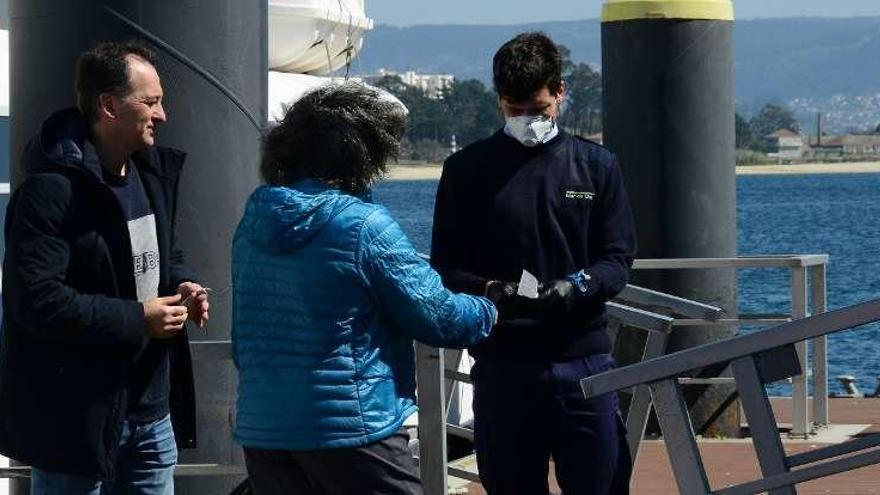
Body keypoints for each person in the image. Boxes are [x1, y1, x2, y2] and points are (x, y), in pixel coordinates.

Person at [231, 82, 497, 495]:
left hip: (265, 427)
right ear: (360, 153)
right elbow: (438, 316)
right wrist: (490, 306)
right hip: (351, 429)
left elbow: (243, 334)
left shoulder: (253, 223)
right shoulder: (364, 226)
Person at [430, 32, 637, 494]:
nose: (527, 120)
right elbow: (444, 265)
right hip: (504, 365)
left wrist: (575, 285)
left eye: (538, 110)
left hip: (583, 362)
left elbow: (617, 260)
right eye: (514, 109)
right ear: (499, 101)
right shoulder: (466, 171)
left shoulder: (596, 166)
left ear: (560, 93)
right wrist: (488, 289)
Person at [0, 41, 209, 494]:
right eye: (151, 102)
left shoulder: (152, 176)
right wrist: (140, 319)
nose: (163, 115)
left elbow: (159, 256)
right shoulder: (49, 191)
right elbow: (35, 302)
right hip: (76, 425)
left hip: (152, 418)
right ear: (109, 106)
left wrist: (185, 285)